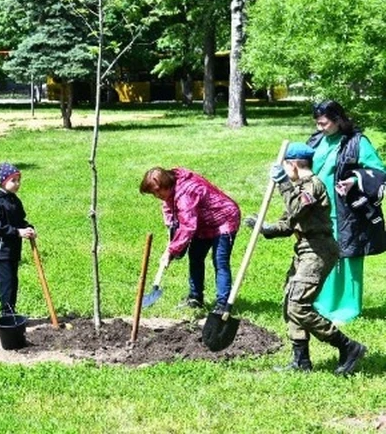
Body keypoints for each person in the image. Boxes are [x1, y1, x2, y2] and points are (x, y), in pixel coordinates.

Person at [249, 142, 367, 375]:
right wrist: (266, 228)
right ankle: (301, 361)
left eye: (285, 167)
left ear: (292, 165)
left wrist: (282, 182)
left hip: (319, 251)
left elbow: (296, 208)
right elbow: (288, 223)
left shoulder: (312, 186)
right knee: (290, 302)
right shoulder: (299, 186)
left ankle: (348, 346)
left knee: (299, 305)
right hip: (305, 249)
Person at [306, 100, 386, 323]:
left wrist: (353, 180)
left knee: (348, 257)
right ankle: (321, 303)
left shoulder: (357, 142)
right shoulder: (316, 140)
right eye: (318, 123)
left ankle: (347, 309)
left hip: (346, 211)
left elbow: (379, 171)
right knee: (321, 255)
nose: (320, 128)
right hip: (318, 210)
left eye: (324, 123)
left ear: (338, 120)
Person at [139, 166, 240, 312]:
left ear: (165, 185)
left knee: (220, 261)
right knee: (195, 256)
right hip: (202, 222)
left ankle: (222, 305)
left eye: (157, 192)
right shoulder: (172, 185)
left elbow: (187, 226)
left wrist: (171, 250)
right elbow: (169, 207)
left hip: (223, 220)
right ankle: (195, 298)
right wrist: (171, 233)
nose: (156, 196)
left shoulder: (185, 193)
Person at [0, 163, 35, 315]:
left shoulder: (14, 200)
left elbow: (20, 220)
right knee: (5, 284)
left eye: (19, 180)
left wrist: (28, 227)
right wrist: (17, 232)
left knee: (13, 283)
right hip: (1, 252)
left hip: (13, 250)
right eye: (13, 180)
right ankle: (7, 315)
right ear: (2, 181)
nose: (17, 184)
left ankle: (11, 312)